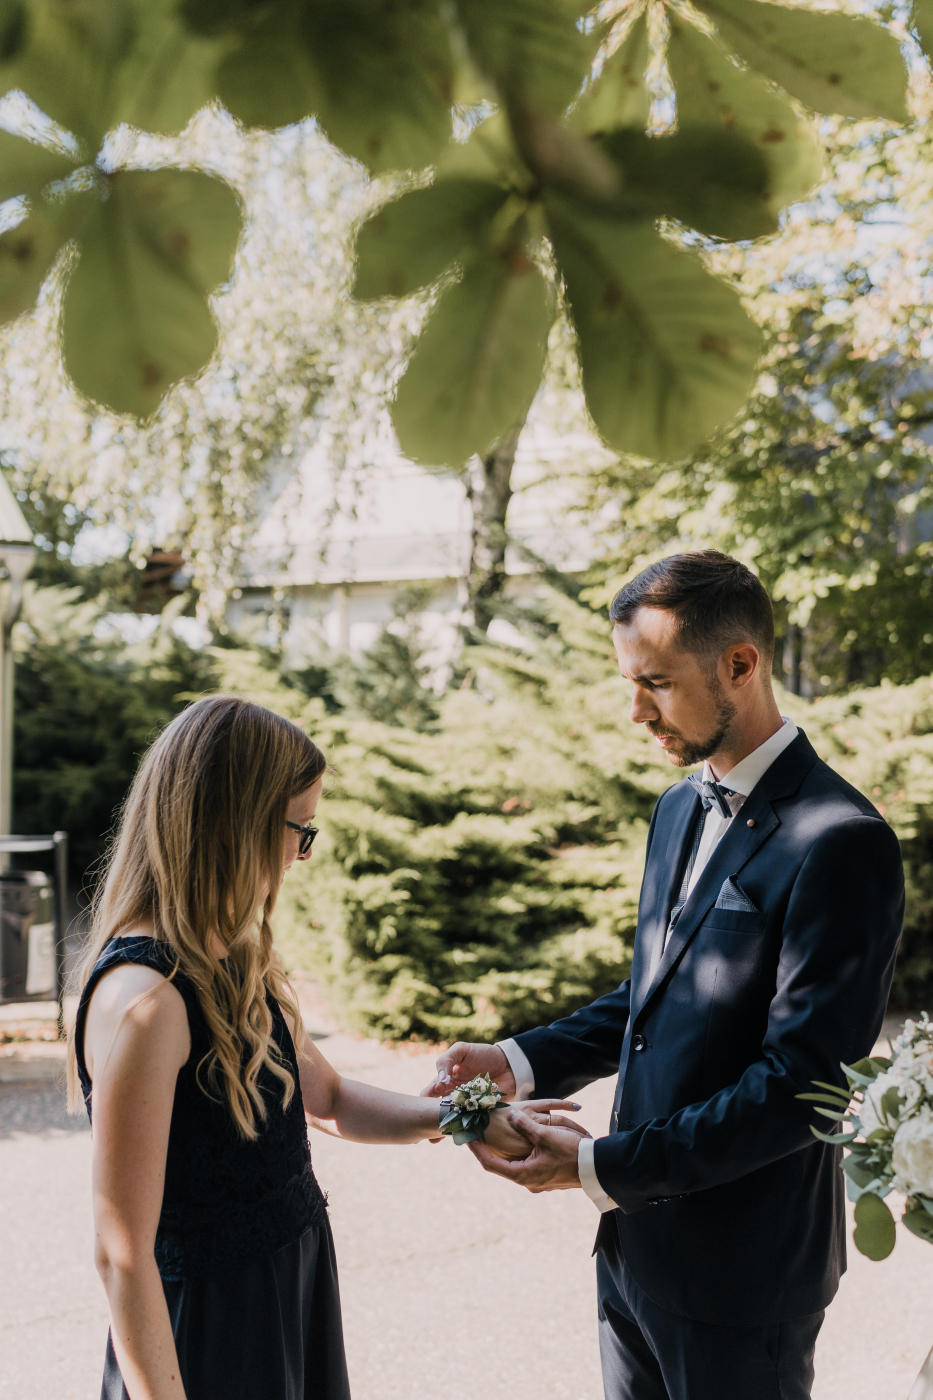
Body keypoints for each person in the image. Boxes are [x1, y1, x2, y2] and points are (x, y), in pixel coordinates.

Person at [423, 551, 905, 1400]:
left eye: (655, 683)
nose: (635, 711)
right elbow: (654, 994)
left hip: (743, 1278)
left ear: (740, 665)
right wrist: (517, 1059)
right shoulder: (678, 806)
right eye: (628, 682)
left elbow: (802, 1086)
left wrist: (598, 1166)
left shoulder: (841, 839)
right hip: (630, 1254)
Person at [69, 694, 568, 1400]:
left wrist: (468, 1116)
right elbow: (122, 1258)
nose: (301, 856)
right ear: (235, 823)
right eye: (299, 830)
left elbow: (328, 1098)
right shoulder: (147, 1002)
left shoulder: (230, 959)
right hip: (205, 1341)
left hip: (289, 1297)